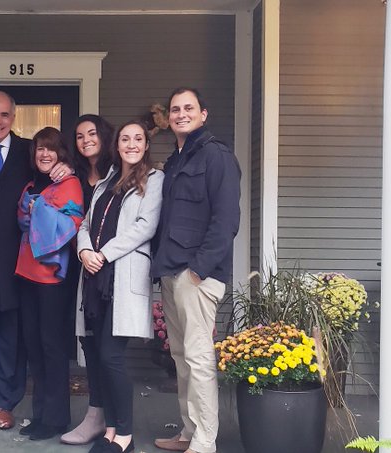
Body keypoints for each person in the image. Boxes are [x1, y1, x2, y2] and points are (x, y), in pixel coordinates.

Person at [0, 91, 73, 430]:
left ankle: (6, 404)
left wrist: (65, 168)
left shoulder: (29, 152)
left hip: (17, 259)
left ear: (13, 117)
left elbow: (51, 177)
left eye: (4, 115)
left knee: (12, 337)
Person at [150, 87, 241, 453]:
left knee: (200, 357)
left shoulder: (216, 156)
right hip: (172, 273)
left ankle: (205, 441)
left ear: (203, 114)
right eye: (175, 109)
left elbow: (226, 220)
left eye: (189, 108)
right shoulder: (175, 161)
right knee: (181, 357)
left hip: (196, 274)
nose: (181, 114)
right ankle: (189, 432)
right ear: (168, 118)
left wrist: (199, 269)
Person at [76, 121, 164, 453]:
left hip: (122, 278)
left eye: (137, 139)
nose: (131, 144)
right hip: (95, 278)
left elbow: (145, 226)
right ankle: (110, 428)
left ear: (145, 145)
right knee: (98, 356)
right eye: (125, 139)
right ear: (117, 145)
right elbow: (85, 223)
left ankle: (124, 433)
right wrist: (85, 250)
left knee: (112, 356)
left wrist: (102, 253)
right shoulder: (106, 182)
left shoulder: (155, 180)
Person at [15, 127, 84, 441]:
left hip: (53, 277)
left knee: (52, 346)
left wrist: (36, 208)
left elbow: (72, 225)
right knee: (33, 345)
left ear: (61, 154)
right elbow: (21, 218)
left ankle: (56, 418)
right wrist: (30, 208)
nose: (44, 154)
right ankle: (40, 413)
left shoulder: (70, 184)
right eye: (39, 149)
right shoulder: (32, 184)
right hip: (26, 273)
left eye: (50, 149)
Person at [61, 114, 115, 445]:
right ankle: (96, 414)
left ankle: (114, 417)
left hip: (110, 270)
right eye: (80, 136)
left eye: (92, 134)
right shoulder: (75, 177)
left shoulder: (118, 172)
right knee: (89, 343)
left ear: (104, 136)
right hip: (77, 269)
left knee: (110, 349)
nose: (86, 140)